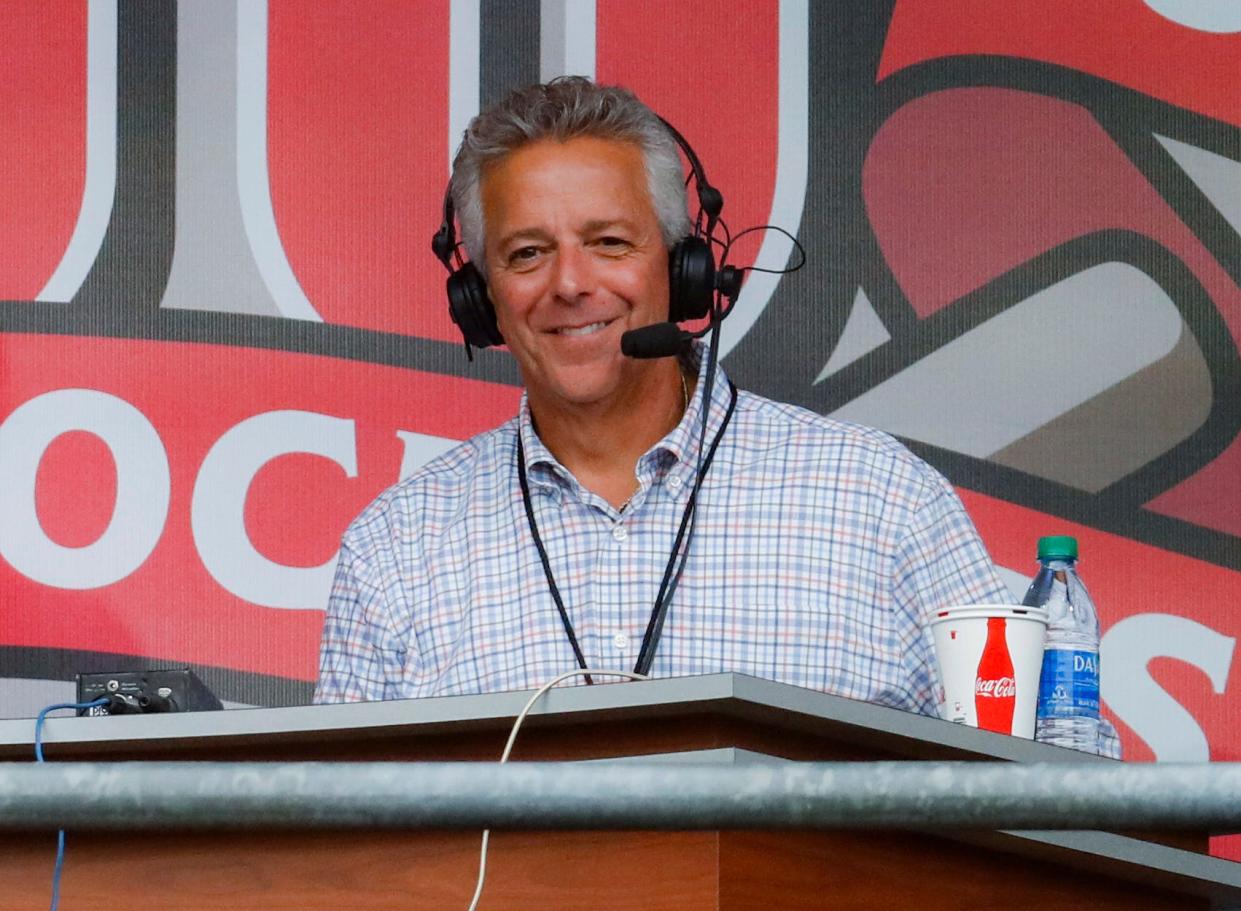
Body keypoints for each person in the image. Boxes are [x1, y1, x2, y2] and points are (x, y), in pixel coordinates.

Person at [314, 77, 1011, 721]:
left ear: (684, 267)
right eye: (527, 252)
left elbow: (1056, 783)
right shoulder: (395, 548)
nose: (569, 283)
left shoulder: (880, 500)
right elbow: (328, 842)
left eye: (609, 242)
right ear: (480, 296)